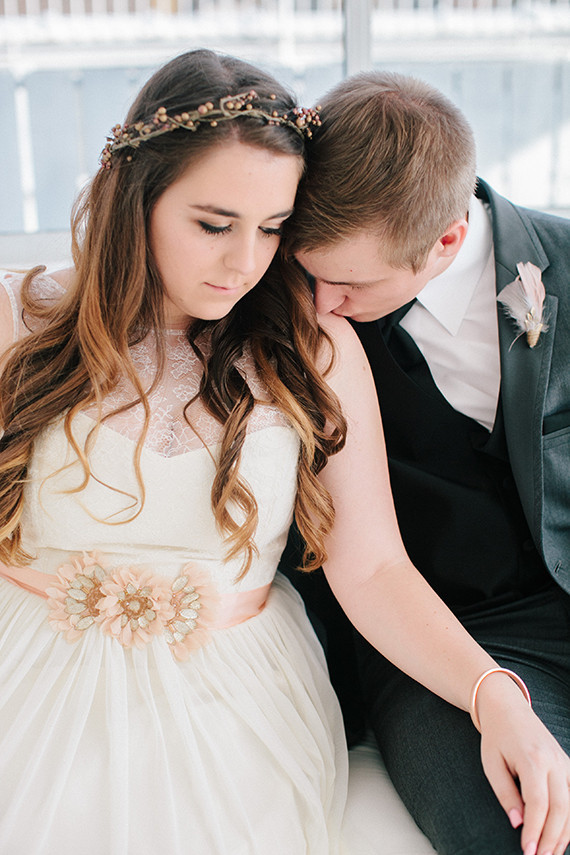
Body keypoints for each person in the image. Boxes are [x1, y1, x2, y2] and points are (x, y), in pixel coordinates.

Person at [0, 49, 565, 855]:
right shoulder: (18, 317)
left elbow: (372, 566)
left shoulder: (310, 346)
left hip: (234, 691)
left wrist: (494, 696)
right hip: (27, 666)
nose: (246, 263)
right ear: (137, 194)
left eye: (272, 229)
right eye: (213, 224)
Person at [287, 70, 570, 855]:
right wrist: (493, 697)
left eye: (349, 282)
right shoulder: (304, 320)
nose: (322, 302)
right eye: (311, 272)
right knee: (521, 833)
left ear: (446, 240)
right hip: (435, 645)